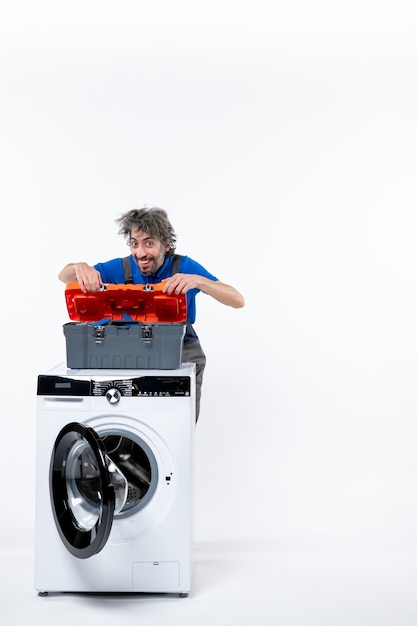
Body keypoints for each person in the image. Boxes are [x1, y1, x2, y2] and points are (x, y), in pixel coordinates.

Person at [58, 206, 245, 421]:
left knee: (178, 428)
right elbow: (63, 276)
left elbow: (237, 300)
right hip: (133, 353)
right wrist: (79, 267)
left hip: (181, 351)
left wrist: (197, 280)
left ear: (166, 245)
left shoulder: (183, 266)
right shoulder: (123, 268)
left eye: (149, 243)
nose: (140, 253)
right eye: (134, 243)